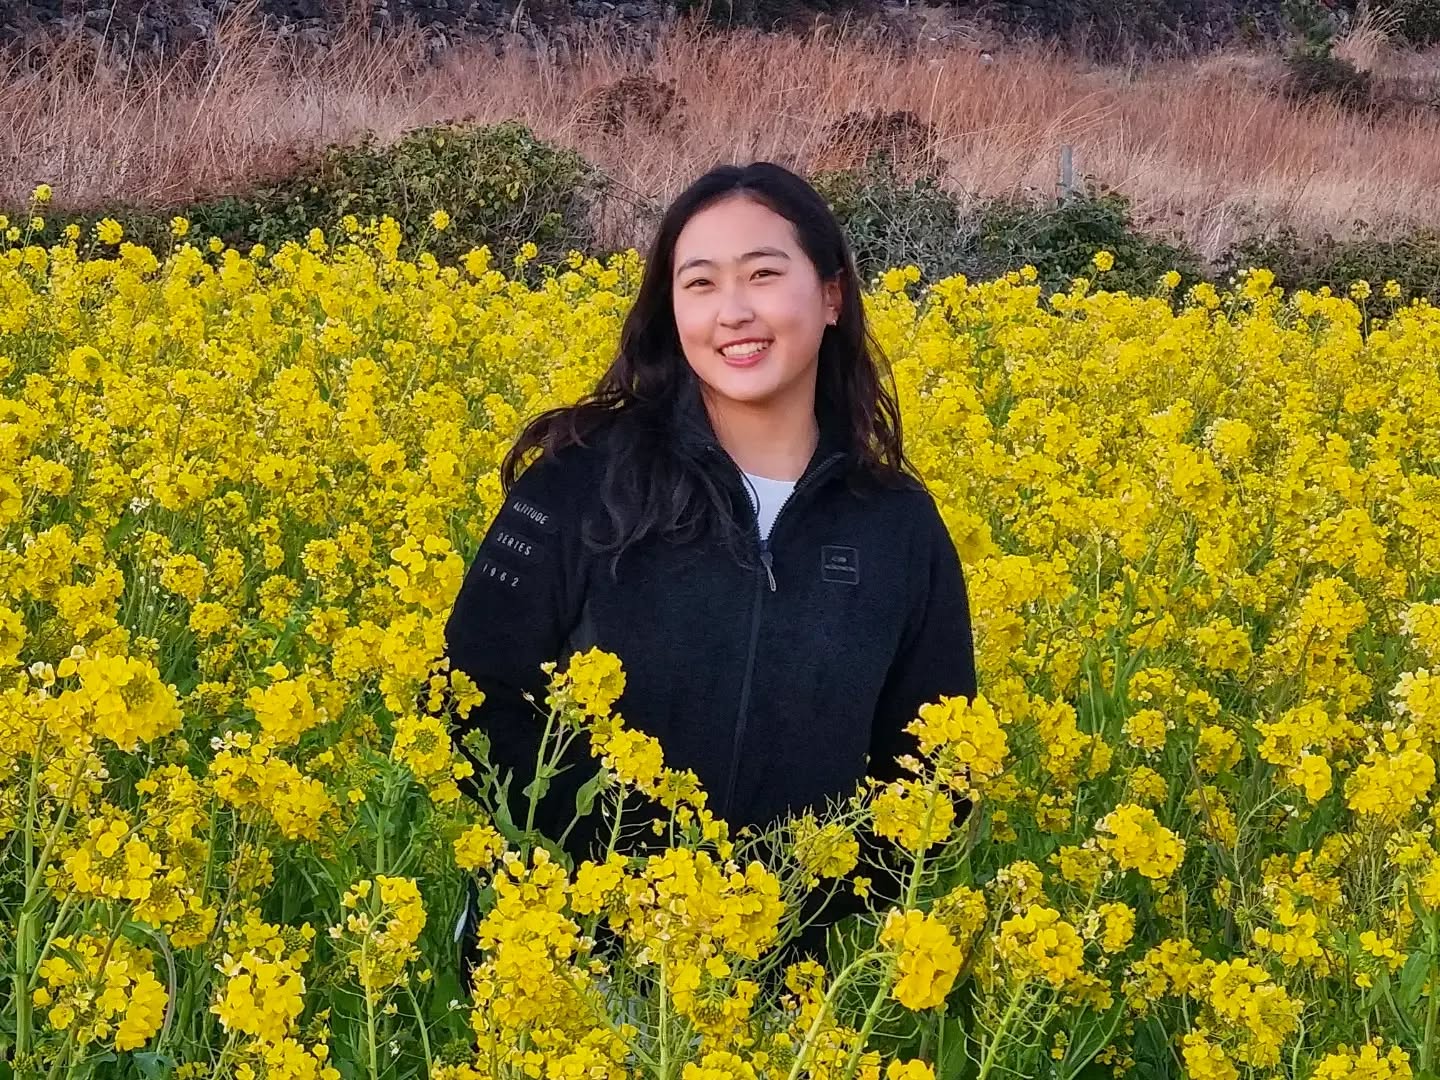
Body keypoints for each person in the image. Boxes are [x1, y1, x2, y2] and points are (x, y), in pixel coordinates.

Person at [443, 160, 977, 969]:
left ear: (831, 295)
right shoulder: (582, 477)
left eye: (764, 274)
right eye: (699, 283)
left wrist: (796, 904)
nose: (733, 312)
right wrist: (628, 873)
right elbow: (469, 695)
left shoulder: (897, 526)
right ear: (672, 309)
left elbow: (937, 767)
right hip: (568, 968)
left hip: (782, 987)